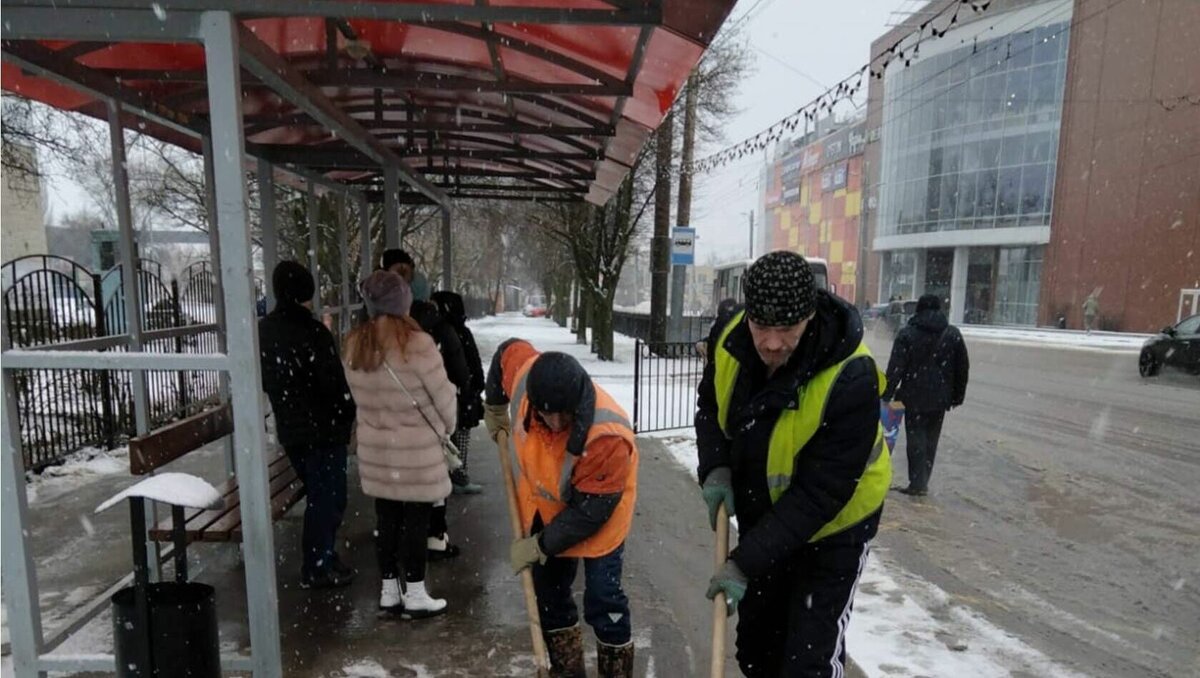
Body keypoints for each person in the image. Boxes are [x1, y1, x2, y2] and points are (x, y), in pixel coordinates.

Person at [695, 250, 891, 678]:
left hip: (834, 529)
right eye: (762, 326)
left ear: (811, 315)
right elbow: (710, 406)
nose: (771, 343)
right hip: (763, 512)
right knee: (758, 651)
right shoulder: (730, 339)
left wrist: (744, 563)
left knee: (807, 663)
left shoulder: (850, 377)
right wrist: (715, 466)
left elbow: (820, 494)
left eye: (787, 329)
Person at [483, 342, 638, 678]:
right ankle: (566, 671)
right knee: (549, 593)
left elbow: (590, 513)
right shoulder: (526, 379)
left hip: (599, 514)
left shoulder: (606, 435)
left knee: (604, 598)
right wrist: (494, 403)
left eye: (563, 414)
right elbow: (506, 352)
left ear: (577, 402)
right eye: (545, 413)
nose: (554, 422)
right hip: (545, 505)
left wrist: (539, 545)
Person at [342, 270, 457, 618]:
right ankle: (417, 593)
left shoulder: (355, 344)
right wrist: (444, 427)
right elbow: (444, 400)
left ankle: (389, 590)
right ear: (403, 302)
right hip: (418, 454)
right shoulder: (416, 344)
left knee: (387, 519)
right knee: (417, 521)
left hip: (378, 452)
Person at [258, 261, 357, 589]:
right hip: (323, 430)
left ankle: (322, 557)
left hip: (293, 431)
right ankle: (318, 564)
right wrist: (347, 414)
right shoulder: (314, 333)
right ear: (306, 292)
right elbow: (333, 384)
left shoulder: (265, 332)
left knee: (319, 495)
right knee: (328, 497)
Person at [882, 294, 970, 497]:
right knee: (931, 439)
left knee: (916, 439)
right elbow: (962, 369)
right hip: (940, 397)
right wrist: (957, 395)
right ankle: (922, 481)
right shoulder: (952, 334)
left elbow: (896, 368)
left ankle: (917, 483)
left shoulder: (907, 334)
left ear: (919, 310)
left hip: (913, 396)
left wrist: (886, 394)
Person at [431, 290, 486, 494]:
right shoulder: (457, 332)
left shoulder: (445, 333)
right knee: (457, 438)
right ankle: (458, 476)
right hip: (461, 395)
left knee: (454, 438)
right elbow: (473, 363)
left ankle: (456, 476)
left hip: (458, 395)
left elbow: (470, 363)